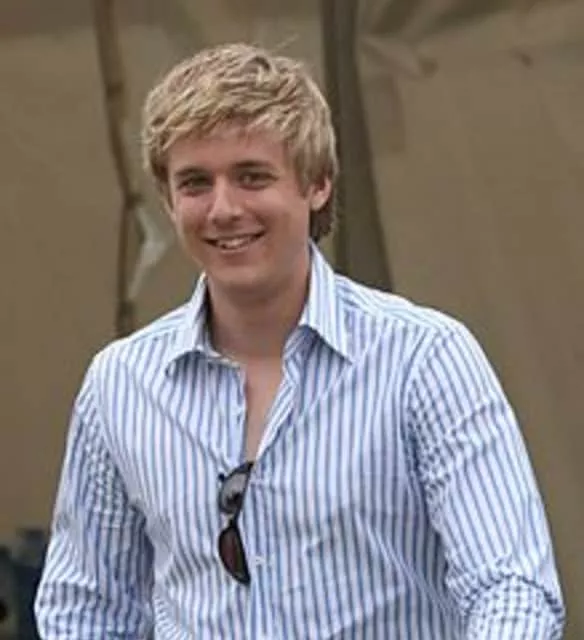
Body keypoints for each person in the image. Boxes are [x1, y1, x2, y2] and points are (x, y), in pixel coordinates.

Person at [34, 42, 565, 638]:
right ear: (167, 199)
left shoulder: (425, 358)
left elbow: (510, 588)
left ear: (318, 184)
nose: (223, 208)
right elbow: (85, 609)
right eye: (195, 183)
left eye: (252, 176)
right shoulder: (119, 385)